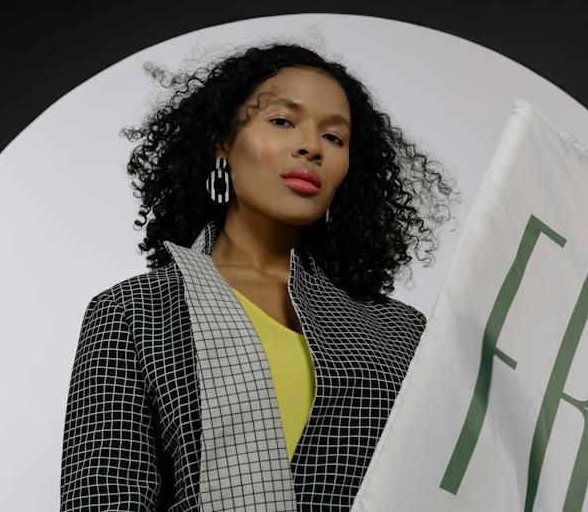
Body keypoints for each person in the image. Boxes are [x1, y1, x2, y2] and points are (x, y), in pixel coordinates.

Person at [61, 43, 458, 511]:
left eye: (334, 137)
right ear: (223, 141)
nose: (311, 146)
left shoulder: (399, 331)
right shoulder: (135, 313)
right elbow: (104, 499)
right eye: (282, 121)